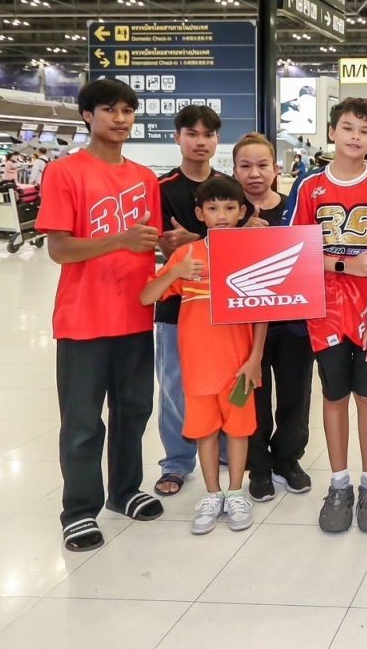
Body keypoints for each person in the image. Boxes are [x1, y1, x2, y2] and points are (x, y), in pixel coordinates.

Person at [38, 78, 164, 552]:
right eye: (110, 109)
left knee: (134, 411)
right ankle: (79, 510)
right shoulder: (65, 172)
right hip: (83, 320)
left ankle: (125, 491)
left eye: (127, 110)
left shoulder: (145, 178)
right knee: (83, 422)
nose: (120, 118)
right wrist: (120, 240)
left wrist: (170, 244)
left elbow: (148, 242)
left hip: (135, 315)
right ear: (87, 115)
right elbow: (59, 249)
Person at [285, 98, 367, 533]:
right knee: (334, 396)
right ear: (332, 131)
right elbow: (293, 249)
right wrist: (342, 265)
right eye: (348, 128)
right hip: (325, 313)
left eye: (365, 131)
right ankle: (339, 484)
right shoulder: (309, 186)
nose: (356, 137)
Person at [140, 176, 267, 535]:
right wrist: (176, 272)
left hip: (239, 367)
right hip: (198, 367)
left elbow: (263, 312)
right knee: (205, 431)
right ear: (200, 214)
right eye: (212, 208)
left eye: (229, 207)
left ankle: (236, 493)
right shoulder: (187, 255)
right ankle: (213, 495)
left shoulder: (250, 254)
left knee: (238, 431)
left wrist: (255, 358)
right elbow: (147, 296)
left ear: (242, 212)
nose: (221, 215)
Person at [232, 133, 314, 501]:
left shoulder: (294, 207)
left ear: (276, 168)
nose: (255, 173)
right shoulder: (228, 212)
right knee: (254, 395)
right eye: (246, 166)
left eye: (262, 165)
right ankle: (259, 465)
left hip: (294, 320)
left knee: (296, 393)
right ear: (234, 170)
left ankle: (288, 458)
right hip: (245, 326)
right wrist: (239, 234)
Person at [153, 105, 223, 497]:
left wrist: (195, 239)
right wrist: (205, 241)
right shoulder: (162, 189)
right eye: (192, 134)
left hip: (223, 304)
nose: (201, 142)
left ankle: (225, 450)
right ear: (177, 137)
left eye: (208, 134)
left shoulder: (227, 185)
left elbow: (238, 242)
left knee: (225, 380)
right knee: (175, 385)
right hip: (176, 305)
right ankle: (177, 462)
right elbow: (166, 246)